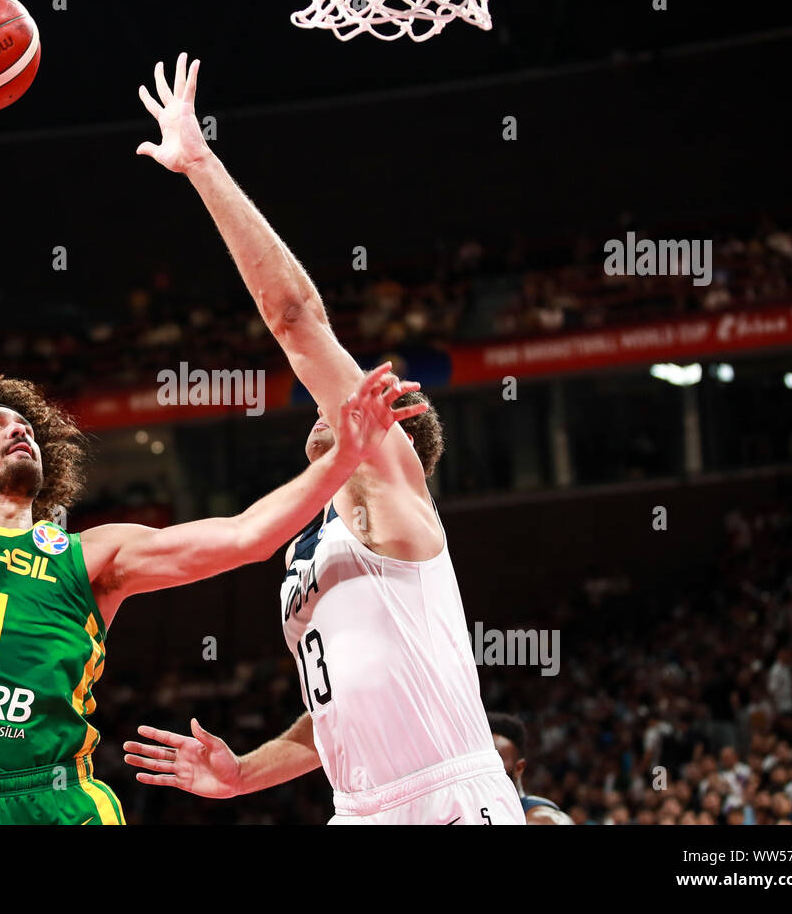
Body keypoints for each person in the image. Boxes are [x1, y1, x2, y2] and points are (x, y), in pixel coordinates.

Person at [0, 78, 431, 825]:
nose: (17, 431)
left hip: (54, 800)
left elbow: (244, 540)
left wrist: (338, 461)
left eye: (26, 428)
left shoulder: (93, 558)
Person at [122, 54, 524, 825]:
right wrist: (241, 774)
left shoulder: (393, 500)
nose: (324, 403)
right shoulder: (310, 548)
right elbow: (331, 717)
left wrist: (202, 166)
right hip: (358, 807)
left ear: (391, 431)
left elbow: (296, 321)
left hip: (447, 796)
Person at [488, 712, 575, 824]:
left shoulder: (544, 819)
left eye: (495, 759)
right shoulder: (472, 812)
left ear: (519, 768)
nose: (485, 767)